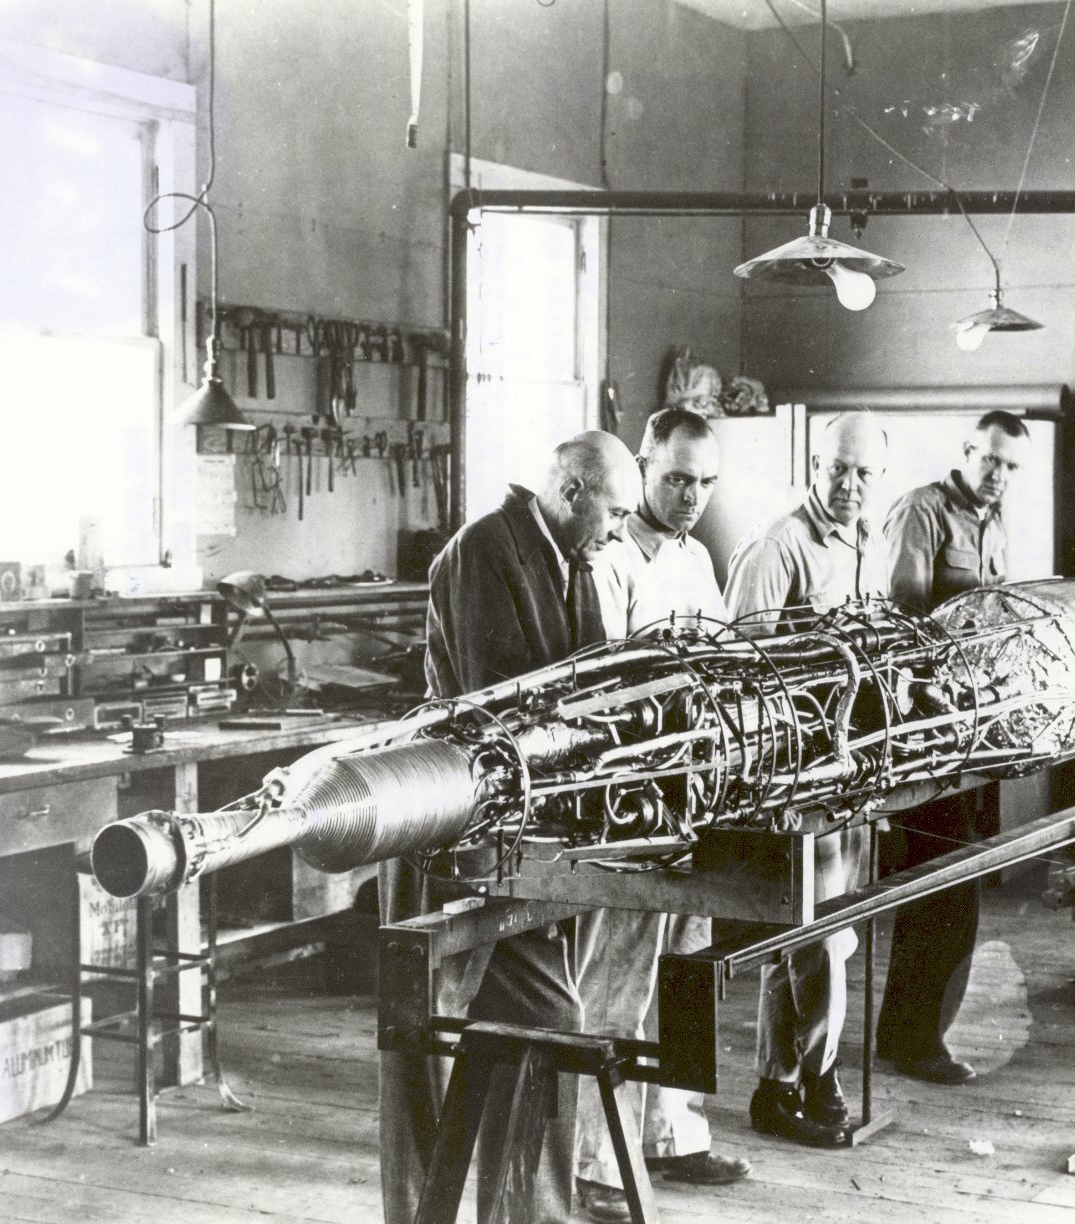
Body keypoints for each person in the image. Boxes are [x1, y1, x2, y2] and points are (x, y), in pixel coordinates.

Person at [380, 430, 639, 1224]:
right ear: (572, 492)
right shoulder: (485, 551)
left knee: (538, 1028)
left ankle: (521, 1215)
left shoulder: (572, 559)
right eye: (615, 513)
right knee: (430, 1045)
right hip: (451, 826)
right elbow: (505, 709)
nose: (620, 531)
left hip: (519, 833)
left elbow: (593, 680)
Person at [573, 407, 751, 1223]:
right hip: (632, 799)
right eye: (677, 478)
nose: (691, 496)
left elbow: (723, 659)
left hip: (695, 792)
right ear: (644, 466)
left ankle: (674, 1135)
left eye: (705, 482)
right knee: (620, 974)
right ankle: (597, 1162)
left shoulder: (695, 556)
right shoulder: (611, 559)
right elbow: (604, 689)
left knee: (685, 964)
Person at [722, 411, 889, 1148]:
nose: (848, 485)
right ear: (813, 467)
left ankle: (779, 1083)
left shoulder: (865, 543)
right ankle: (816, 1080)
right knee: (810, 939)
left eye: (863, 472)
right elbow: (738, 671)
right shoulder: (778, 546)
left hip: (852, 770)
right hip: (796, 778)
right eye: (836, 469)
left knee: (822, 935)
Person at [875, 410, 1030, 1085]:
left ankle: (909, 1035)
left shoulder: (994, 521)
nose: (998, 475)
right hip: (923, 733)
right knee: (942, 889)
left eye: (1011, 466)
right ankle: (915, 1041)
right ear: (967, 451)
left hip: (972, 729)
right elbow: (902, 624)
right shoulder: (923, 511)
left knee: (952, 885)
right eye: (990, 459)